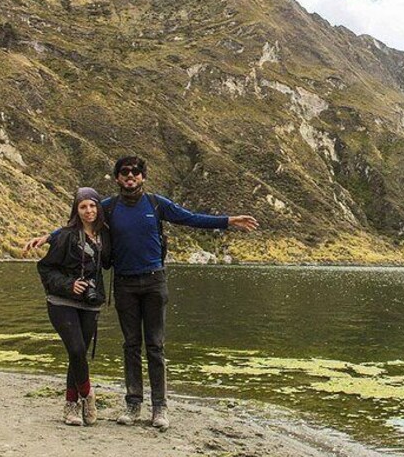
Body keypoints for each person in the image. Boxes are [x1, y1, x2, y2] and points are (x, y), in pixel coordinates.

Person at [27, 156, 258, 431]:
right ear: (117, 178)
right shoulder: (108, 207)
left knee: (155, 346)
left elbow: (190, 218)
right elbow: (79, 221)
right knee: (131, 345)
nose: (130, 176)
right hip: (124, 285)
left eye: (135, 172)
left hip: (154, 282)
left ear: (143, 177)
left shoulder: (156, 203)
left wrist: (228, 220)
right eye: (124, 172)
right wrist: (49, 237)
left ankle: (159, 407)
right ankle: (133, 403)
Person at [37, 187, 110, 426]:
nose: (89, 211)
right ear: (76, 210)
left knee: (76, 355)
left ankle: (71, 406)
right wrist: (70, 284)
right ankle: (87, 396)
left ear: (99, 208)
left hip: (90, 303)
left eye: (92, 206)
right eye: (83, 207)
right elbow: (45, 268)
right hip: (62, 301)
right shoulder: (66, 235)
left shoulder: (105, 236)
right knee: (77, 350)